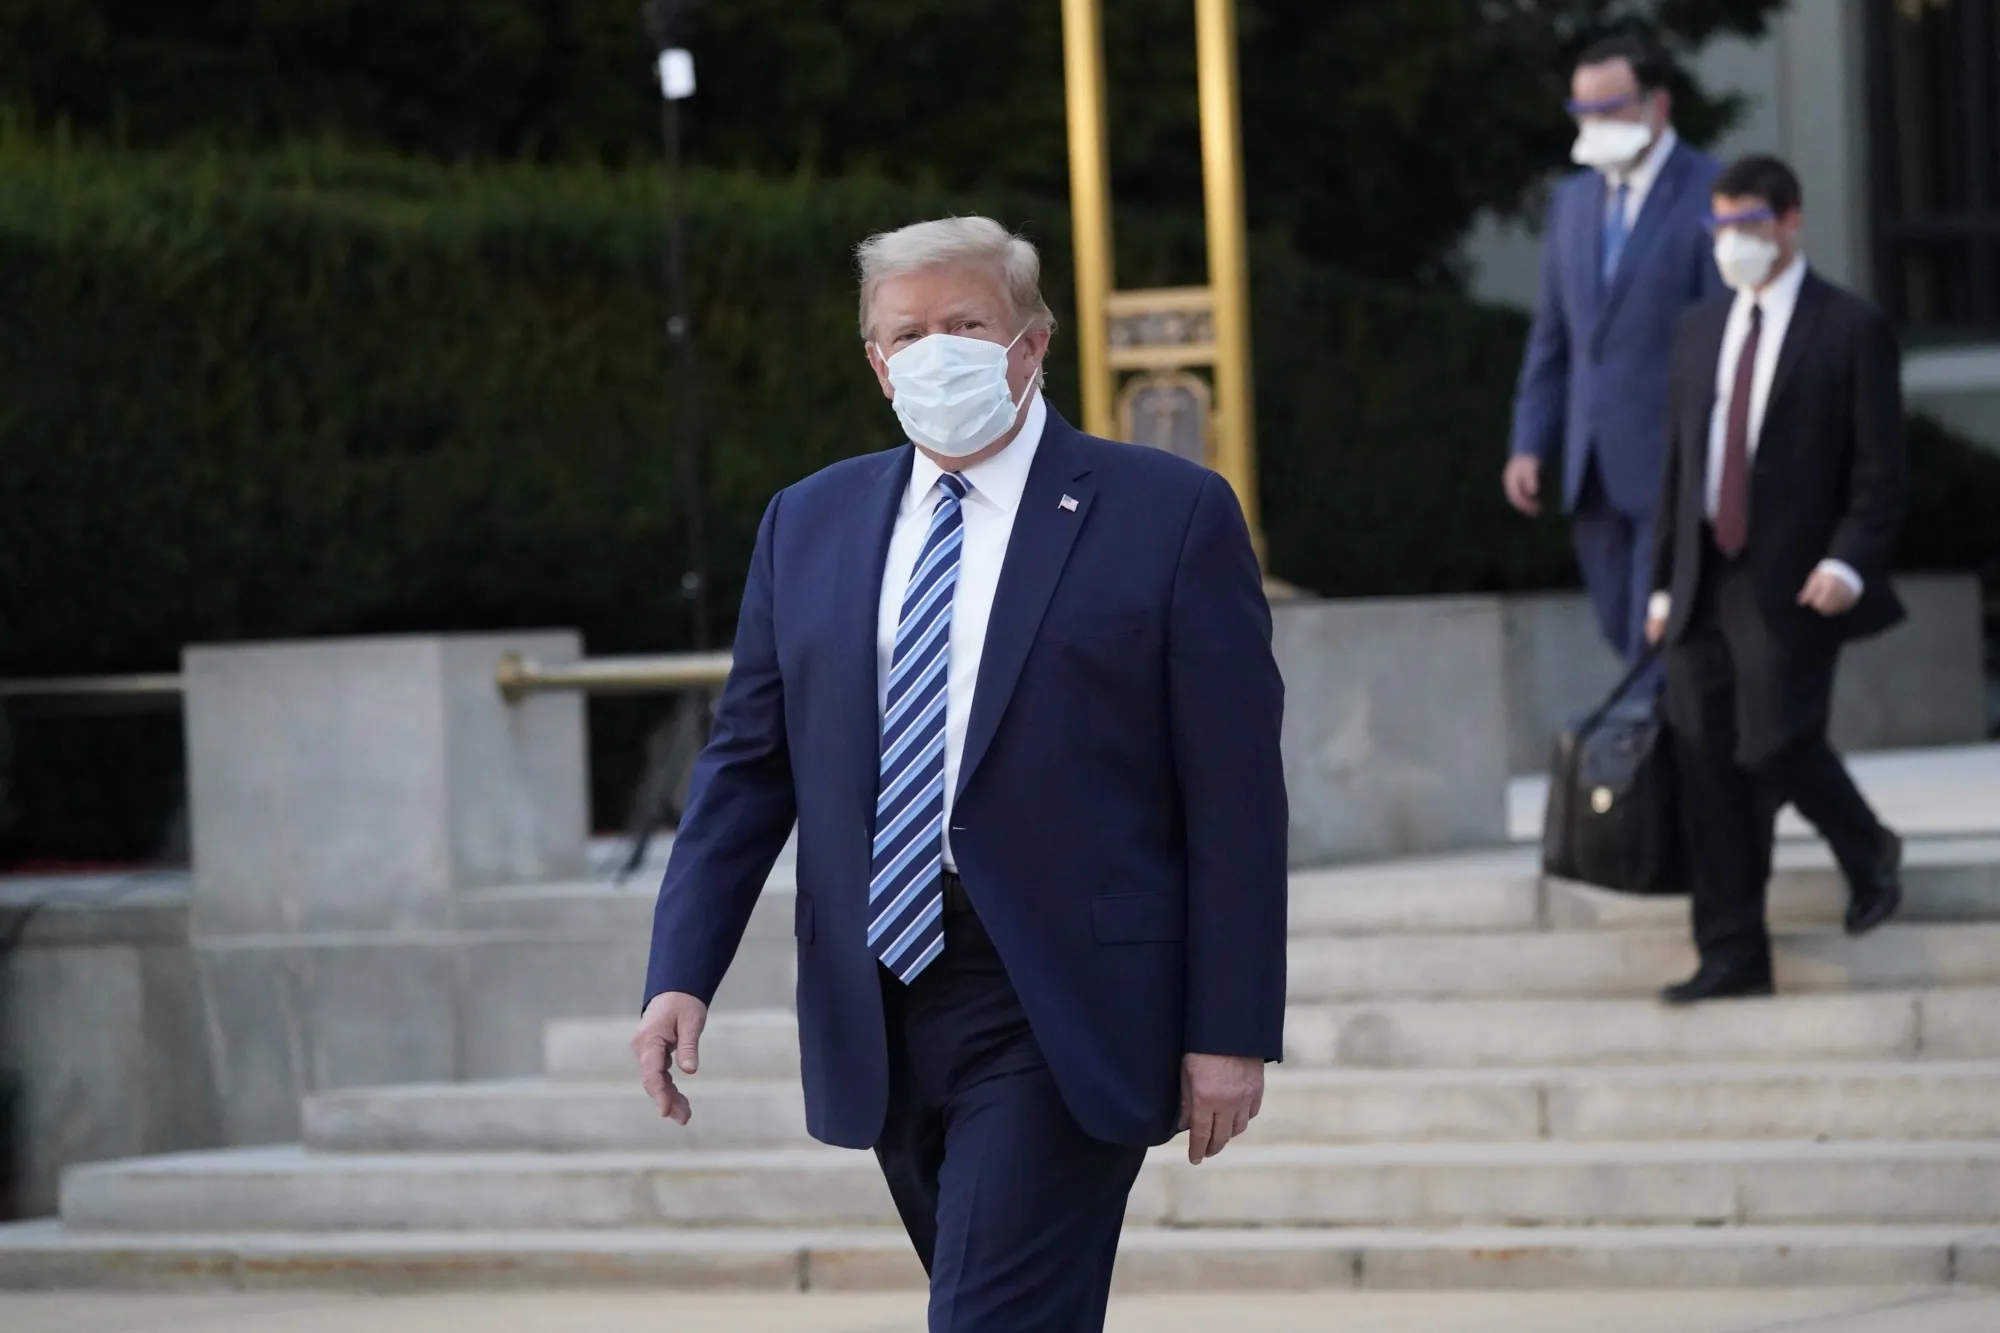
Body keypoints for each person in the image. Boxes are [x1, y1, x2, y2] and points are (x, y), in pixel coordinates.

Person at [630, 216, 1289, 1330]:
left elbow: (1233, 797)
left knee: (987, 1314)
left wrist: (1229, 1025)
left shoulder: (1165, 513)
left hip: (1062, 995)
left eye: (965, 324)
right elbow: (747, 766)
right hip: (878, 994)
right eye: (907, 333)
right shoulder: (808, 522)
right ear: (877, 365)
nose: (935, 350)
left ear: (1029, 344)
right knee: (1007, 1305)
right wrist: (678, 969)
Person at [1647, 155, 1907, 1005]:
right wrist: (1659, 585)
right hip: (1700, 581)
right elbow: (1679, 466)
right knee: (1706, 765)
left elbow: (1879, 470)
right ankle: (1731, 950)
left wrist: (1848, 561)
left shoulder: (1849, 326)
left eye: (1749, 226)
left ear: (1791, 221)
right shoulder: (1698, 328)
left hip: (1794, 582)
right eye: (1719, 228)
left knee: (1774, 741)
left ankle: (1867, 847)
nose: (1733, 245)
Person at [1507, 34, 1725, 666]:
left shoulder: (1710, 189)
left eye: (1610, 109)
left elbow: (1721, 332)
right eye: (1583, 112)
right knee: (1618, 623)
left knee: (1654, 633)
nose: (1594, 125)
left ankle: (1656, 757)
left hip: (1671, 458)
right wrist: (1528, 441)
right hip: (1591, 461)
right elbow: (1554, 333)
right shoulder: (1574, 201)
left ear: (1658, 106)